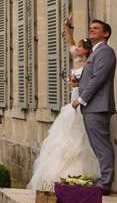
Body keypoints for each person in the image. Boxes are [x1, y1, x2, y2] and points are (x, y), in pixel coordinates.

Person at [28, 15, 100, 190]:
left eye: (80, 48)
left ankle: (88, 172)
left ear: (86, 50)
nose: (76, 49)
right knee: (64, 136)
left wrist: (77, 83)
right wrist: (66, 26)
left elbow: (92, 81)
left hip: (83, 101)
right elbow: (70, 44)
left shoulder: (90, 63)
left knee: (81, 137)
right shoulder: (78, 61)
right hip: (72, 100)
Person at [72, 20, 117, 194]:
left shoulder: (106, 51)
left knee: (102, 145)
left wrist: (81, 99)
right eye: (90, 28)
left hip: (98, 105)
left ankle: (106, 183)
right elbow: (92, 76)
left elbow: (98, 78)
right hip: (93, 106)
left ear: (106, 34)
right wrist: (78, 82)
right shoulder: (95, 52)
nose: (91, 30)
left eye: (96, 28)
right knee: (97, 144)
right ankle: (104, 179)